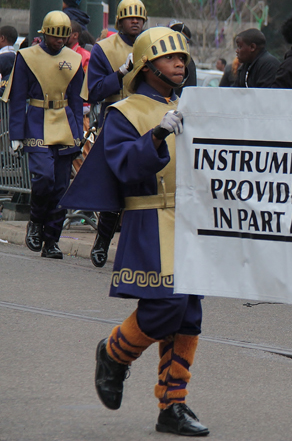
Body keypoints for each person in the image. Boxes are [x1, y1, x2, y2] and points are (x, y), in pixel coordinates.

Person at [61, 26, 207, 435]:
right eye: (169, 57)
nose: (181, 62)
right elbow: (125, 166)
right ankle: (114, 353)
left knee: (189, 313)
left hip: (192, 222)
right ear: (147, 64)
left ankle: (172, 405)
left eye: (182, 57)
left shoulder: (192, 106)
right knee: (165, 306)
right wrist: (158, 132)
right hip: (150, 218)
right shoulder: (123, 112)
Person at [2, 11, 84, 259]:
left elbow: (77, 100)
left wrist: (78, 133)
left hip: (65, 122)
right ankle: (36, 222)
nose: (59, 41)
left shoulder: (75, 59)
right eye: (54, 36)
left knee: (61, 187)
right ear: (44, 34)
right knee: (45, 178)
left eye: (63, 37)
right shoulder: (27, 57)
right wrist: (16, 133)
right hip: (37, 121)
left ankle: (52, 240)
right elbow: (17, 97)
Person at [83, 0, 148, 269]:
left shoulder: (155, 43)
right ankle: (102, 241)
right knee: (114, 183)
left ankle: (139, 248)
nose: (135, 21)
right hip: (117, 118)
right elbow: (95, 91)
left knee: (145, 185)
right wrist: (121, 72)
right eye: (129, 17)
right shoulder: (104, 49)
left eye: (139, 18)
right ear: (119, 20)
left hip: (147, 117)